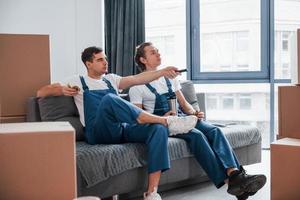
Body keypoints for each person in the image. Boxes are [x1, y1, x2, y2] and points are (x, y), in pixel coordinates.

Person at [37, 46, 199, 200]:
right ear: (88, 64)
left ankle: (152, 192)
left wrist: (162, 72)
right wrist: (60, 90)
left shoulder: (111, 79)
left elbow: (138, 78)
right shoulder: (77, 81)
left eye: (105, 59)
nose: (105, 62)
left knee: (158, 129)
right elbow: (41, 92)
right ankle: (166, 121)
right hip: (97, 132)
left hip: (121, 130)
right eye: (100, 59)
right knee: (109, 99)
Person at [129, 42, 267, 200]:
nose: (158, 54)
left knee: (214, 130)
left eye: (158, 51)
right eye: (153, 52)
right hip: (162, 122)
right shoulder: (136, 86)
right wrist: (163, 117)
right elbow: (140, 116)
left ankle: (234, 173)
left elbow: (183, 103)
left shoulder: (169, 79)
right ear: (143, 60)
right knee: (197, 136)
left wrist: (195, 112)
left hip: (182, 117)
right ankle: (233, 182)